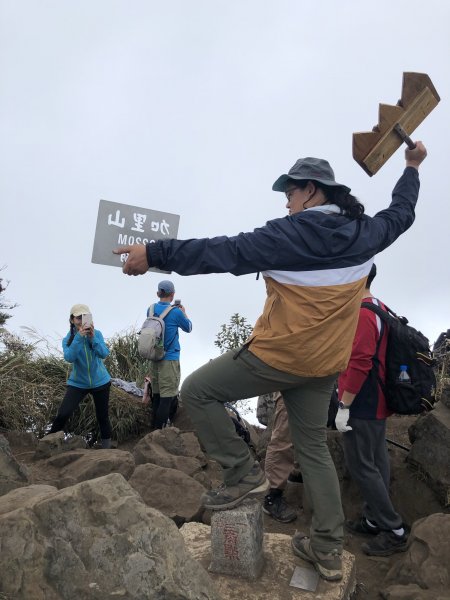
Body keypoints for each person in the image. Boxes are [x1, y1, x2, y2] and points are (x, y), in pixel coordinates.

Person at [115, 143, 427, 581]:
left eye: (291, 192)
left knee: (197, 391)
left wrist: (153, 253)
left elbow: (220, 251)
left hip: (280, 356)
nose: (286, 201)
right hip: (325, 366)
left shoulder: (287, 235)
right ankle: (328, 551)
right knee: (313, 450)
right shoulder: (368, 233)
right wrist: (412, 166)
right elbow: (403, 212)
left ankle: (243, 474)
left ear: (312, 192)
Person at [335, 264, 409, 556]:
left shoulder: (363, 313)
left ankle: (394, 530)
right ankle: (372, 517)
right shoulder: (380, 307)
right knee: (377, 460)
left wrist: (344, 405)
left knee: (362, 466)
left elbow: (361, 361)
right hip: (377, 398)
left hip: (362, 402)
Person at [49, 304, 112, 448]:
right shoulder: (68, 339)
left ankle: (107, 449)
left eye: (85, 317)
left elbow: (104, 353)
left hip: (101, 381)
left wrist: (92, 338)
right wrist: (79, 337)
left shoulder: (98, 334)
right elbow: (69, 357)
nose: (81, 320)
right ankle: (48, 444)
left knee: (102, 417)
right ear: (72, 320)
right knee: (63, 414)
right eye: (78, 317)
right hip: (78, 383)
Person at [145, 280, 192, 429]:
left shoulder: (150, 309)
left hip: (154, 358)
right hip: (169, 359)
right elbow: (189, 328)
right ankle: (159, 433)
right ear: (172, 295)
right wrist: (184, 312)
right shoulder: (176, 312)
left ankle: (153, 429)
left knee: (157, 395)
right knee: (167, 397)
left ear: (158, 293)